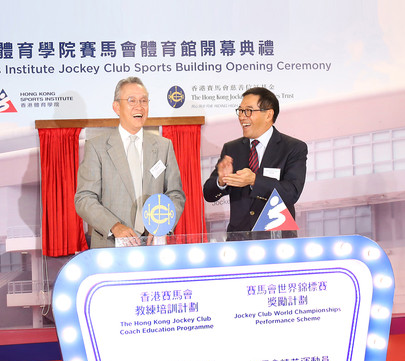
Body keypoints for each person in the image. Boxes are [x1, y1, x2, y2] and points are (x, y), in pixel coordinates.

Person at [75, 76, 186, 248]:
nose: (139, 106)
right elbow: (85, 199)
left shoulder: (164, 146)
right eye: (131, 100)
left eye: (143, 101)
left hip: (152, 246)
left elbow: (175, 194)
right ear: (116, 107)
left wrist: (162, 225)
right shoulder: (97, 147)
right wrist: (114, 226)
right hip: (111, 246)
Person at [203, 87, 307, 236]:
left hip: (276, 239)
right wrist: (221, 181)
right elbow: (209, 194)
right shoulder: (232, 148)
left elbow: (291, 193)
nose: (242, 117)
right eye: (240, 111)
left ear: (268, 114)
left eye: (248, 111)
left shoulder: (293, 147)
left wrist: (254, 180)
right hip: (239, 240)